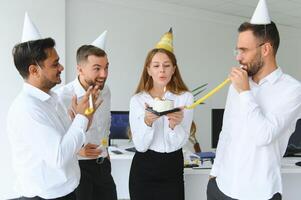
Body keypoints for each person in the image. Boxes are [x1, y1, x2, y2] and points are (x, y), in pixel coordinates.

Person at [207, 19, 301, 200]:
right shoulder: (237, 85)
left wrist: (245, 92)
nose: (238, 57)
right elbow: (227, 131)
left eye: (244, 50)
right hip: (221, 187)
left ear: (265, 49)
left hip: (259, 193)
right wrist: (215, 172)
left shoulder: (292, 90)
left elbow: (263, 135)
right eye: (237, 50)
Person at [7, 36, 101, 199]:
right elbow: (59, 156)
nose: (61, 67)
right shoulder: (27, 109)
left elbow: (68, 143)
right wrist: (80, 117)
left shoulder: (52, 99)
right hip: (45, 196)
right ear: (34, 70)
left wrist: (85, 118)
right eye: (55, 64)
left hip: (66, 192)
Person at [128, 29, 194, 200]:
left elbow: (181, 141)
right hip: (144, 168)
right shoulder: (138, 101)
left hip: (172, 168)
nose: (161, 70)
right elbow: (140, 146)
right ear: (148, 70)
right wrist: (147, 122)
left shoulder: (185, 98)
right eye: (156, 66)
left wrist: (174, 126)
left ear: (174, 69)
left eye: (166, 65)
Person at [55, 44, 117, 200]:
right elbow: (55, 140)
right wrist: (77, 150)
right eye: (97, 68)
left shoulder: (106, 91)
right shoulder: (62, 97)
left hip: (103, 165)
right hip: (78, 168)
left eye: (106, 67)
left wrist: (107, 151)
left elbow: (105, 124)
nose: (104, 74)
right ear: (80, 69)